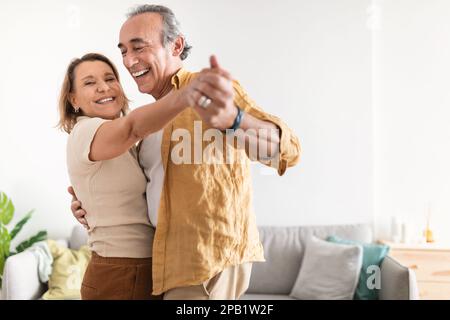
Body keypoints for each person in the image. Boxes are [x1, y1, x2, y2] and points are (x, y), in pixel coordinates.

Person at [70, 4, 301, 300]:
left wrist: (235, 120)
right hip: (166, 263)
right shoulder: (148, 119)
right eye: (124, 51)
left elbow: (285, 151)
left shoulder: (209, 90)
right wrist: (91, 203)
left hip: (207, 260)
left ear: (176, 45)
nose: (129, 60)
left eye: (138, 47)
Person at [59, 52, 231, 299]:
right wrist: (185, 94)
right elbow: (133, 126)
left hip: (145, 268)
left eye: (110, 78)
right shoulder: (86, 131)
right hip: (120, 271)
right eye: (89, 82)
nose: (103, 87)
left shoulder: (128, 144)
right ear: (73, 99)